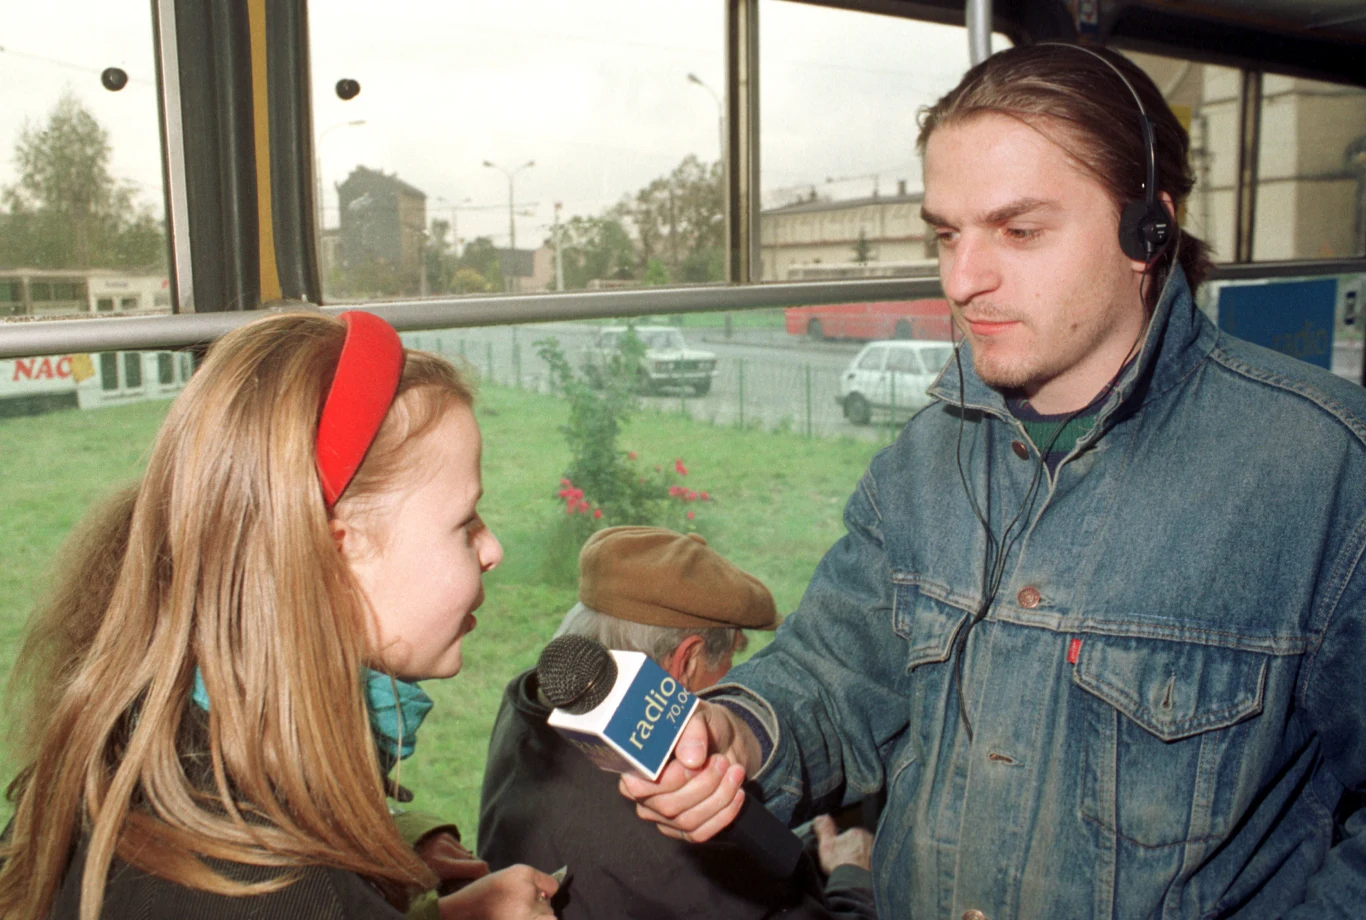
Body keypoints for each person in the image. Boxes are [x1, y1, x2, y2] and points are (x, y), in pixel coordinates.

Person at [617, 43, 1366, 919]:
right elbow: (831, 675)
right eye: (946, 234)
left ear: (1147, 231)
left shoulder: (1322, 473)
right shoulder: (924, 460)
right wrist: (734, 734)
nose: (964, 280)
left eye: (1019, 230)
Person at [0, 310, 558, 919]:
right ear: (332, 556)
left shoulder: (157, 735)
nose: (492, 549)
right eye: (464, 523)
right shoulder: (281, 893)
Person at [478, 526, 878, 919]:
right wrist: (853, 874)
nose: (732, 675)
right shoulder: (683, 814)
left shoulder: (526, 704)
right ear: (684, 662)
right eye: (730, 662)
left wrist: (802, 841)